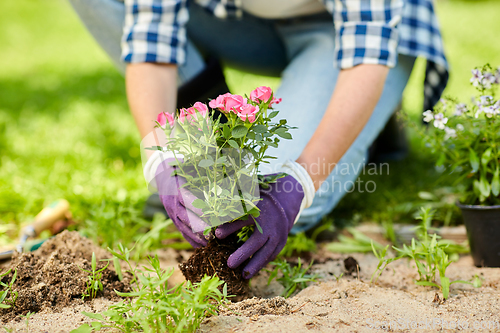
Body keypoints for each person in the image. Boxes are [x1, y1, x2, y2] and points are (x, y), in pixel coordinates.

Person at [69, 0, 448, 279]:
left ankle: (371, 117)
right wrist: (163, 157)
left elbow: (366, 54)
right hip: (242, 22)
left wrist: (300, 181)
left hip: (349, 36)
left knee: (266, 194)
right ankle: (209, 142)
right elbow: (153, 40)